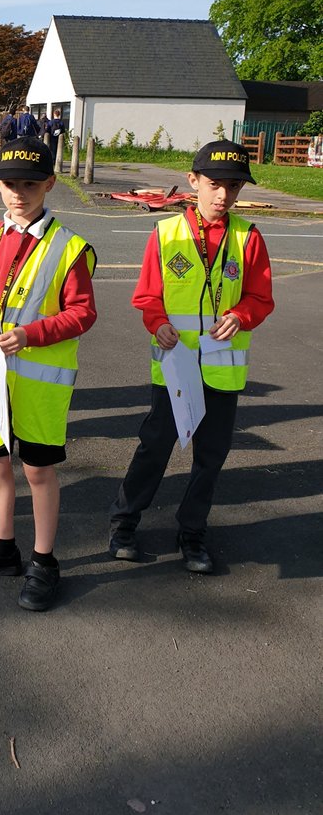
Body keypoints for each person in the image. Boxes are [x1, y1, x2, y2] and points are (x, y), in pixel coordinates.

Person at [108, 140, 274, 574]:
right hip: (175, 364)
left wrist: (241, 315)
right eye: (215, 185)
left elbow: (260, 297)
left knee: (210, 455)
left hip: (223, 369)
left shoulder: (249, 237)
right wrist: (157, 322)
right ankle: (124, 522)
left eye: (233, 187)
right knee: (156, 445)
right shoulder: (166, 233)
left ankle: (193, 532)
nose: (223, 196)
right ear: (193, 182)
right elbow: (147, 296)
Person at [0, 136, 97, 612]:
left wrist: (31, 334)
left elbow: (82, 312)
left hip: (39, 386)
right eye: (10, 183)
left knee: (37, 471)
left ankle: (44, 561)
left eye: (30, 184)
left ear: (50, 184)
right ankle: (2, 547)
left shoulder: (68, 247)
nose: (19, 192)